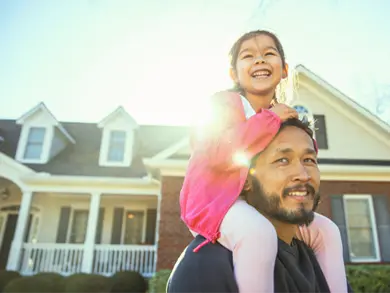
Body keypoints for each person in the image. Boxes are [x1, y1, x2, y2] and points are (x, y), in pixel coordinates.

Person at [180, 30, 347, 293]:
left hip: (258, 201)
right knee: (257, 234)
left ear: (284, 69)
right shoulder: (225, 104)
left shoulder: (279, 112)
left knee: (327, 230)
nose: (259, 60)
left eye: (269, 53)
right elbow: (217, 152)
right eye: (248, 56)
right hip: (216, 203)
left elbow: (295, 148)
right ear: (234, 74)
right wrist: (271, 120)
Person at [169, 118, 352, 293]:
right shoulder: (206, 266)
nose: (303, 175)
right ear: (246, 179)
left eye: (309, 160)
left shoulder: (321, 260)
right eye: (283, 160)